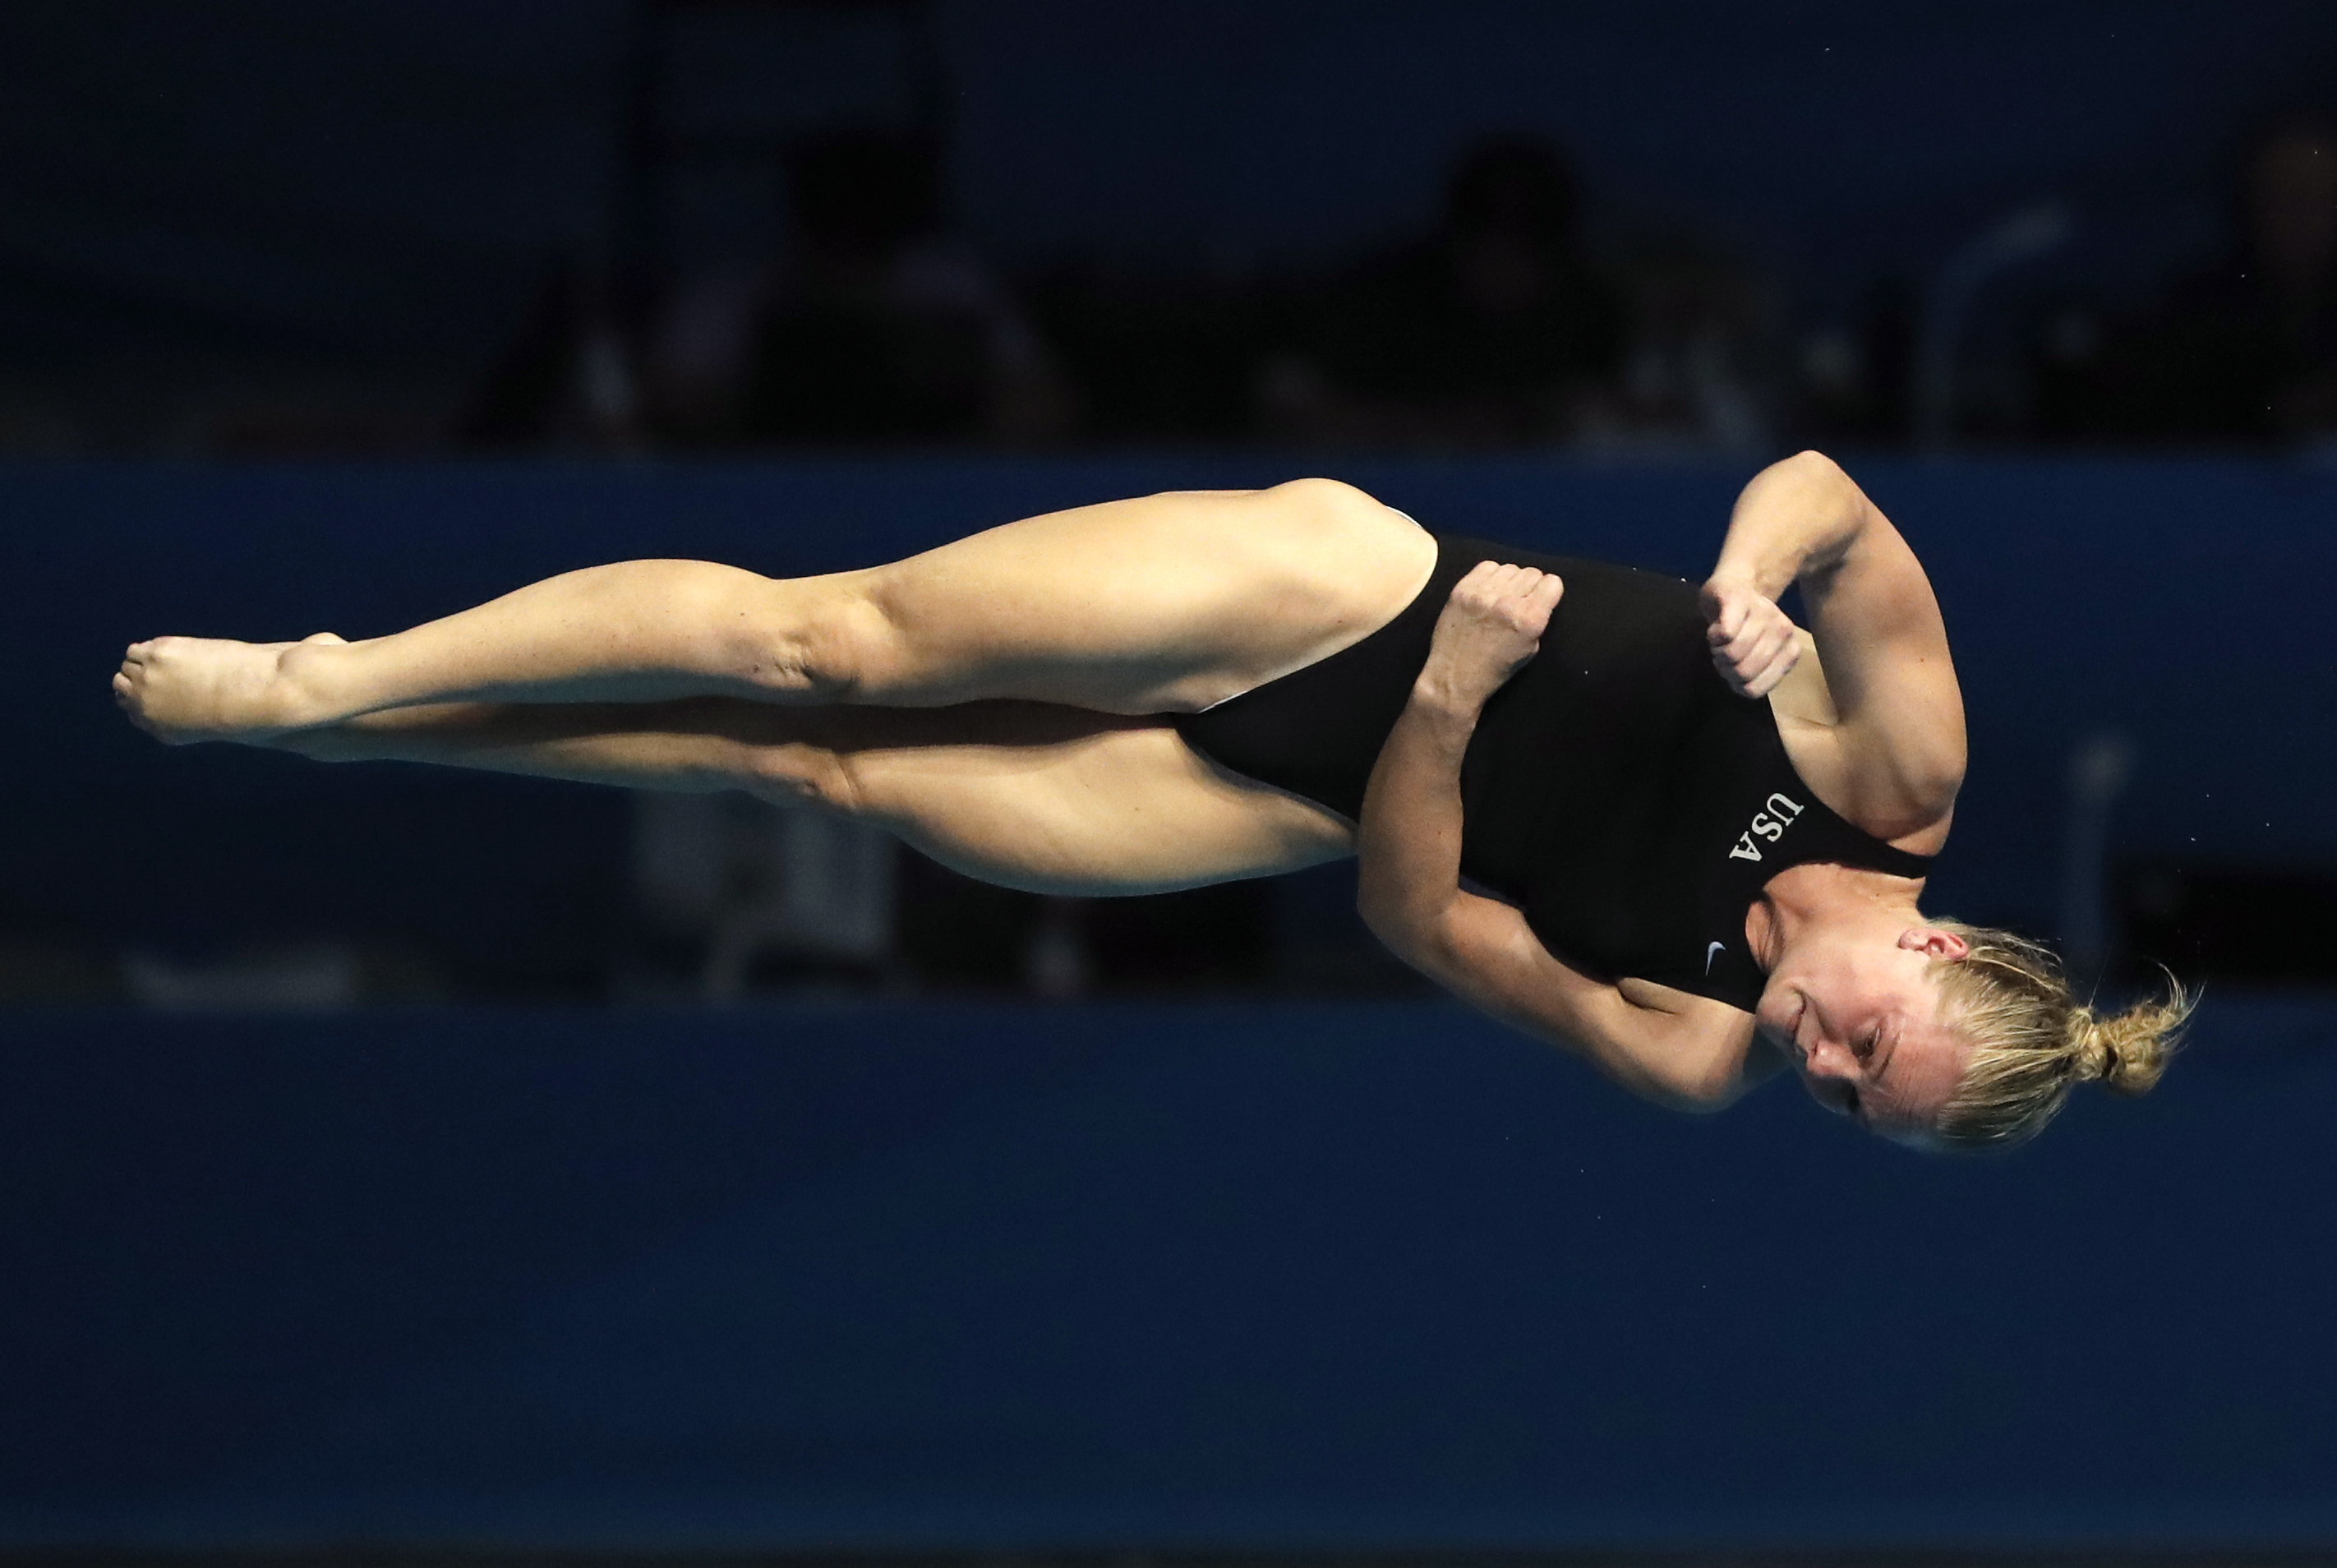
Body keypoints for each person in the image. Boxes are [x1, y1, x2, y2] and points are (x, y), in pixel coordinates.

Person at [113, 452, 2187, 1149]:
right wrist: (1742, 588)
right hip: (1335, 592)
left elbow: (1417, 919)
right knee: (825, 651)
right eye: (1872, 1047)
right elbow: (1833, 507)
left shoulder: (1690, 1048)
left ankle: (335, 741)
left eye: (1844, 1103)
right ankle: (337, 671)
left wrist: (1460, 710)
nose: (1819, 1064)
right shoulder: (1893, 771)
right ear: (1944, 947)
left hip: (1312, 788)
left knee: (817, 775)